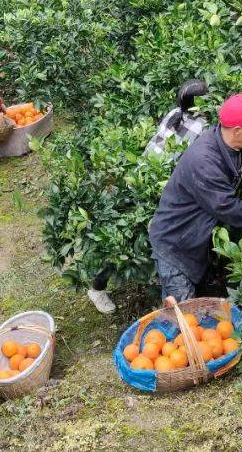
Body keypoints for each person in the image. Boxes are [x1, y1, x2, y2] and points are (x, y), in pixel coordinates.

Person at [147, 93, 242, 304]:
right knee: (184, 315)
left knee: (199, 309)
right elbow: (234, 212)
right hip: (176, 245)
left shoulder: (240, 146)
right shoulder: (204, 161)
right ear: (238, 130)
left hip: (198, 238)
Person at [86, 79, 209, 315]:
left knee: (123, 238)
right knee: (133, 240)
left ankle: (105, 287)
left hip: (141, 175)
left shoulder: (175, 112)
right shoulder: (202, 126)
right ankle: (98, 287)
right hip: (157, 186)